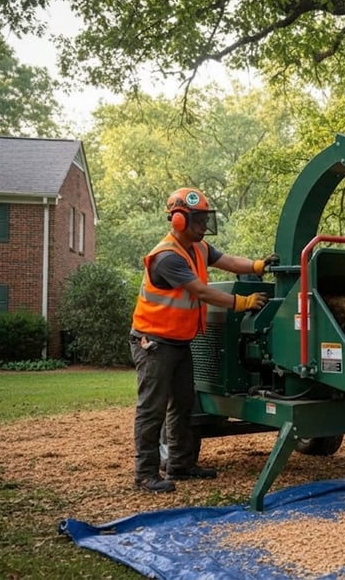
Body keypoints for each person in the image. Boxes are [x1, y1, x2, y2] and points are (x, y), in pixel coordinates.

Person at [130, 187, 275, 493]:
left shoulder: (200, 249)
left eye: (205, 219)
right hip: (153, 342)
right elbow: (202, 291)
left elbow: (230, 261)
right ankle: (145, 474)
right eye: (197, 220)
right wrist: (241, 303)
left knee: (183, 403)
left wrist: (258, 266)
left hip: (179, 341)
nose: (203, 226)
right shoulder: (167, 257)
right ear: (179, 220)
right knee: (152, 407)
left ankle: (180, 465)